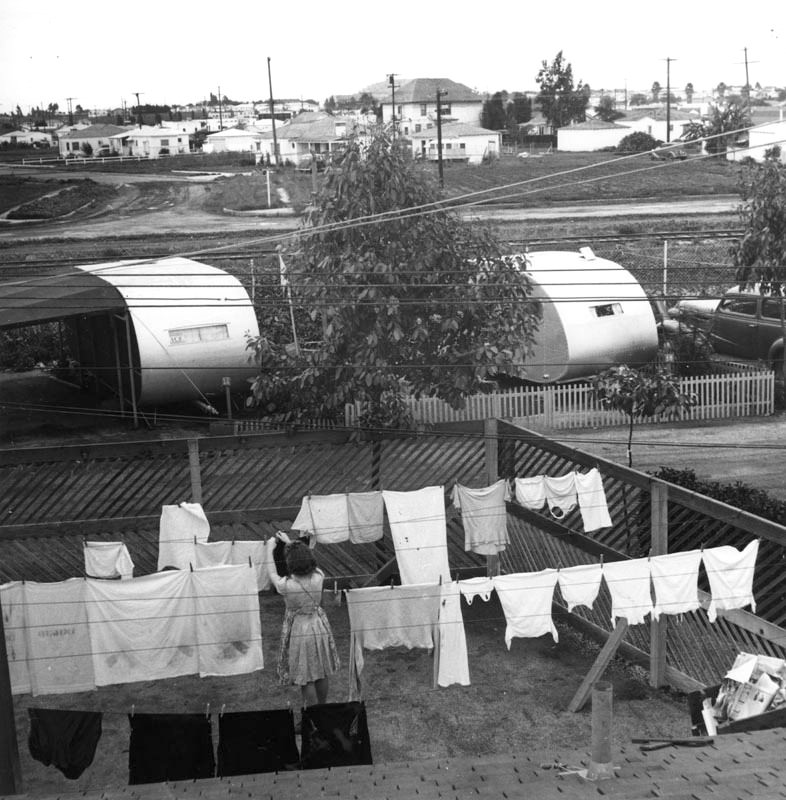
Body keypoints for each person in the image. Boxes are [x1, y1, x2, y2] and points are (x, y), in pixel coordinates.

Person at [265, 533, 340, 708]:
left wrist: (270, 549)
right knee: (321, 673)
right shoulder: (318, 576)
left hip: (300, 631)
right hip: (318, 626)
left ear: (291, 564)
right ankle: (322, 711)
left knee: (306, 679)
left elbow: (272, 572)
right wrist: (290, 543)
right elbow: (304, 557)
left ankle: (312, 717)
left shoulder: (287, 586)